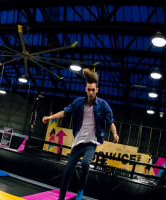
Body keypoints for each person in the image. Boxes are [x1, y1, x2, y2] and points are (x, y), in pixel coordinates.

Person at [42, 68, 120, 200]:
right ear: (85, 89)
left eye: (93, 90)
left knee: (85, 163)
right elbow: (65, 112)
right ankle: (61, 197)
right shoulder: (78, 102)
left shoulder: (103, 105)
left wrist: (115, 133)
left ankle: (80, 189)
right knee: (67, 172)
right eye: (88, 90)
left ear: (97, 90)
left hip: (91, 142)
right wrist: (51, 118)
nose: (90, 93)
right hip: (78, 142)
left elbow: (111, 121)